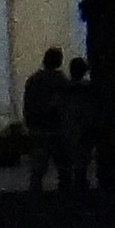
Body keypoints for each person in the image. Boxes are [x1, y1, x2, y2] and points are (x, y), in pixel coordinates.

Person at [22, 43, 72, 193]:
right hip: (57, 128)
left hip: (37, 128)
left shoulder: (33, 80)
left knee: (38, 169)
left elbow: (27, 105)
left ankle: (36, 197)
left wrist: (30, 123)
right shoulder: (61, 81)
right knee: (64, 168)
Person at [65, 53, 102, 195]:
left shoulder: (65, 89)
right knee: (84, 158)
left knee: (76, 158)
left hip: (70, 126)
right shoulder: (89, 89)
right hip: (86, 126)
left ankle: (75, 184)